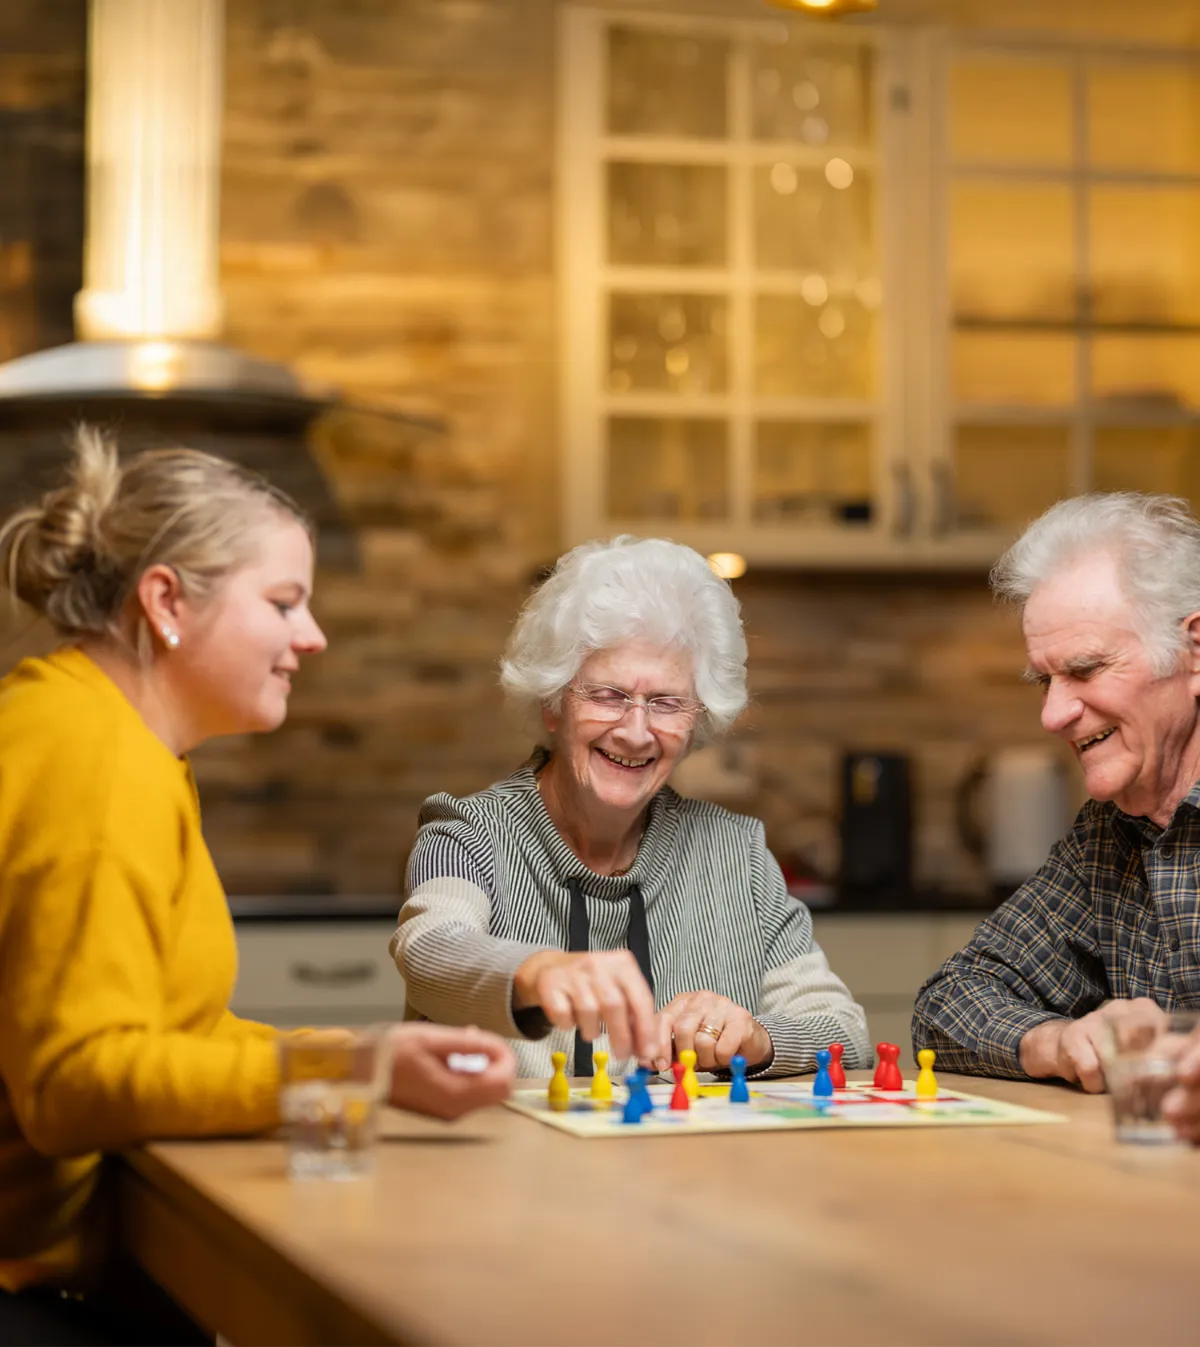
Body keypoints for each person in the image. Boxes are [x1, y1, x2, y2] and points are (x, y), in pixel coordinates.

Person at [0, 429, 515, 1343]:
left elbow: (164, 1033)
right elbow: (74, 1083)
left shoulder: (105, 732)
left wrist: (361, 1051)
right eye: (284, 602)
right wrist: (360, 1069)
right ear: (165, 600)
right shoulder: (97, 763)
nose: (312, 637)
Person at [390, 535, 870, 1082]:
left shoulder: (738, 854)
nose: (637, 732)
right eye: (608, 695)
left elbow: (844, 1033)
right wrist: (538, 971)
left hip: (690, 1167)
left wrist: (758, 1037)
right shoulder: (465, 833)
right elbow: (430, 950)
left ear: (697, 725)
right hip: (514, 1164)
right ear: (553, 704)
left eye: (667, 703)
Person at [912, 492, 1200, 1125]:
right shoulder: (1109, 834)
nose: (1052, 715)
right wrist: (1061, 1041)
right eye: (1045, 680)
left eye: (1086, 670)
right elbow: (948, 1004)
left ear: (1194, 651)